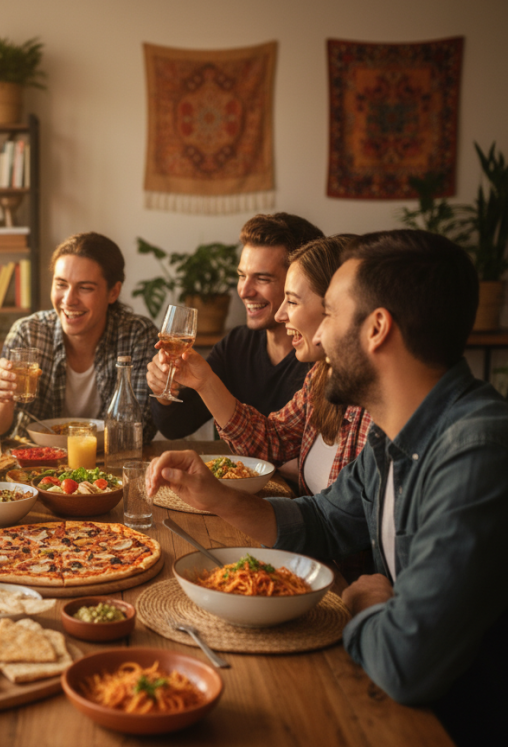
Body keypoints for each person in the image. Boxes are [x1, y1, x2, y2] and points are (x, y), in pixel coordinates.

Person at [146, 230, 508, 746]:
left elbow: (408, 661)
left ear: (377, 329)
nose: (315, 335)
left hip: (445, 725)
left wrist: (364, 606)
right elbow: (319, 522)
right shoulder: (393, 433)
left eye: (331, 314)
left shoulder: (476, 452)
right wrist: (216, 495)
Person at [163, 236, 372, 496]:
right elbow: (271, 441)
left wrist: (222, 500)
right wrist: (205, 382)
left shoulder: (373, 407)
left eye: (292, 301)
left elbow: (346, 525)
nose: (280, 314)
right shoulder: (321, 376)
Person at [0, 232, 159, 442]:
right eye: (61, 284)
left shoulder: (137, 336)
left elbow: (140, 428)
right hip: (36, 465)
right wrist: (1, 399)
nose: (69, 300)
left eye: (85, 288)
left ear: (113, 292)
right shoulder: (30, 332)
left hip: (110, 464)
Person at [149, 213, 321, 438]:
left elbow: (290, 450)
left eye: (262, 278)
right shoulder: (236, 345)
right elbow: (176, 426)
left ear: (298, 282)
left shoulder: (319, 361)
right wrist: (163, 390)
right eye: (242, 276)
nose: (244, 291)